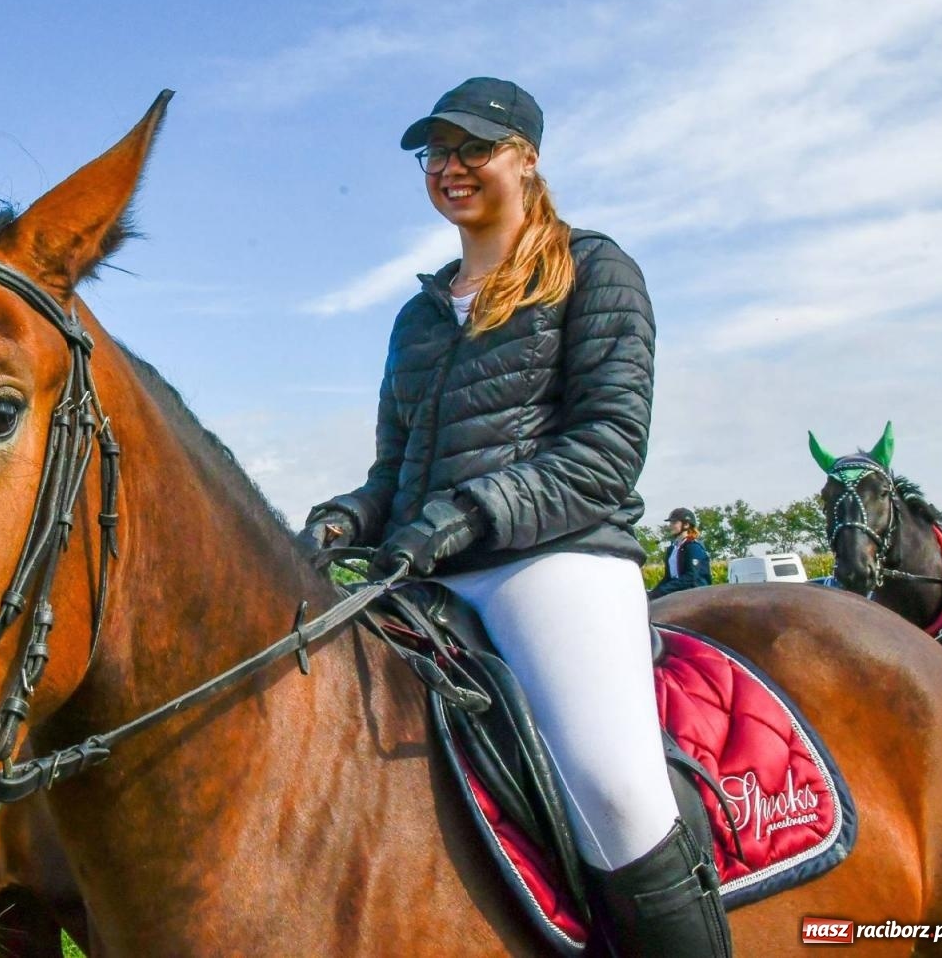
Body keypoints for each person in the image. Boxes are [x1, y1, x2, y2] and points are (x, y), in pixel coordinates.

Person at [300, 78, 729, 956]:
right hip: (424, 570)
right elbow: (396, 471)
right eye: (436, 154)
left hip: (556, 558)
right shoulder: (417, 317)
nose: (450, 169)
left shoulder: (594, 268)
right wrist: (345, 520)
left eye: (471, 150)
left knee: (614, 789)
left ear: (526, 158)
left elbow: (608, 446)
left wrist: (468, 513)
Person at [648, 508, 712, 601]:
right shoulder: (672, 549)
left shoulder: (693, 547)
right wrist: (652, 594)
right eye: (670, 523)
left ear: (686, 525)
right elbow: (668, 577)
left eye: (674, 523)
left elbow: (691, 577)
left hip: (696, 594)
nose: (670, 525)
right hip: (678, 592)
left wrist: (663, 591)